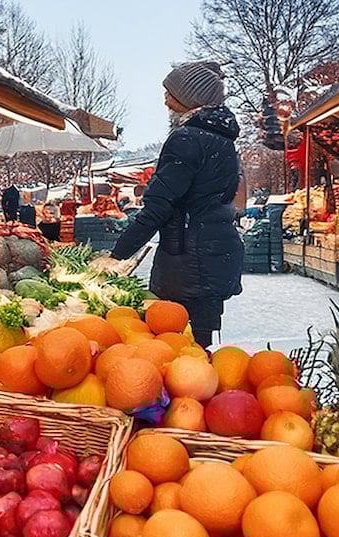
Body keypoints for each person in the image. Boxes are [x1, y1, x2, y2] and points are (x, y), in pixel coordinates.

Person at [93, 61, 243, 348]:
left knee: (177, 348)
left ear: (190, 97)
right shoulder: (222, 140)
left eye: (169, 91)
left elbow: (158, 207)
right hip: (214, 254)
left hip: (190, 261)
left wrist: (117, 255)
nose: (164, 98)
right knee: (199, 345)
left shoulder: (187, 138)